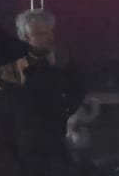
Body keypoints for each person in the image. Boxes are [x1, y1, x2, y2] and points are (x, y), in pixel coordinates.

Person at [15, 8, 85, 145]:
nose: (49, 37)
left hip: (55, 133)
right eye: (41, 33)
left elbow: (78, 87)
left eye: (50, 31)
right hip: (25, 136)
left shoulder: (62, 59)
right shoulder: (17, 63)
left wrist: (65, 110)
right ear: (26, 37)